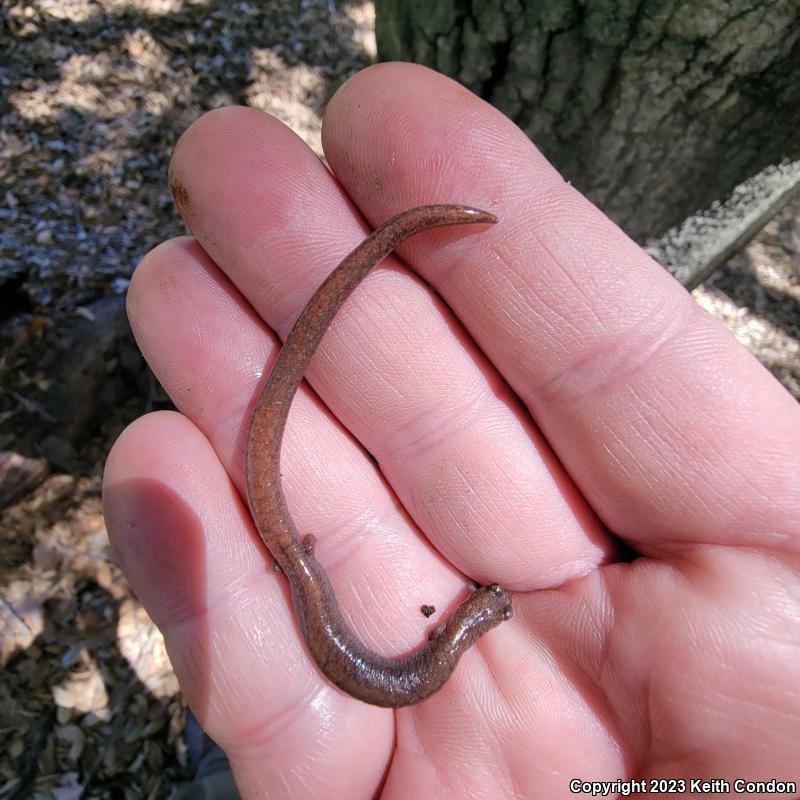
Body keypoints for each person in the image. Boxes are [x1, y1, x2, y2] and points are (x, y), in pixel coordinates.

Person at [103, 63, 800, 798]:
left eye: (484, 609)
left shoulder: (431, 658)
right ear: (457, 625)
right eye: (484, 609)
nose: (485, 607)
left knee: (295, 556)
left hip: (339, 629)